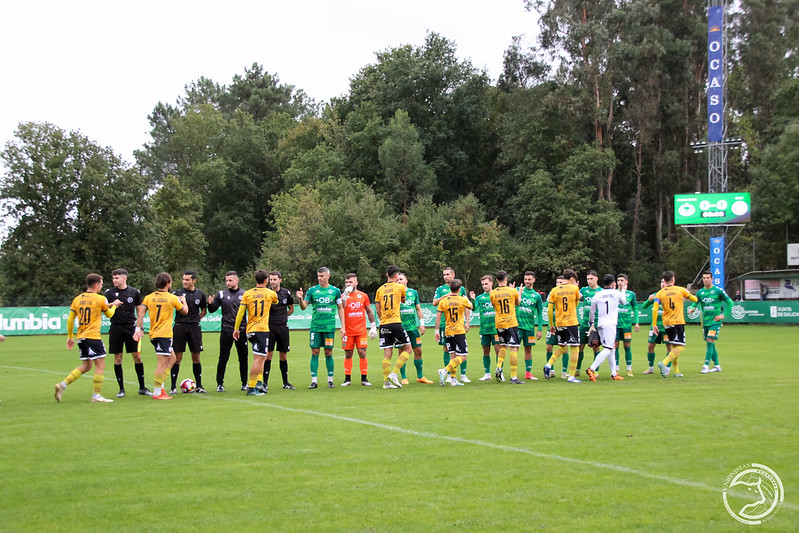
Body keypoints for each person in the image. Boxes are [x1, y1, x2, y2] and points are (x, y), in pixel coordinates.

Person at [54, 273, 121, 403]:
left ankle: (62, 385)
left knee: (86, 366)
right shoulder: (101, 299)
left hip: (81, 337)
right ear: (96, 285)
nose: (102, 286)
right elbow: (109, 314)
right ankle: (96, 396)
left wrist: (70, 337)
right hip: (93, 337)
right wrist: (115, 306)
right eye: (101, 283)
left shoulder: (77, 299)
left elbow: (70, 319)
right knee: (100, 365)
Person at [133, 272, 188, 400]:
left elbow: (140, 312)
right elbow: (185, 311)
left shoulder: (149, 297)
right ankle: (157, 392)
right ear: (168, 283)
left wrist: (138, 328)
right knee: (162, 363)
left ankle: (161, 386)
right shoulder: (172, 298)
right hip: (164, 334)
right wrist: (184, 302)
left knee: (173, 358)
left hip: (153, 334)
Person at [297, 267, 346, 389]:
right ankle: (314, 381)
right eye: (318, 276)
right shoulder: (312, 290)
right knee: (315, 352)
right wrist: (300, 299)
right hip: (316, 327)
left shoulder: (335, 291)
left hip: (329, 327)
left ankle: (330, 380)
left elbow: (340, 308)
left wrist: (343, 326)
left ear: (328, 276)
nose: (320, 278)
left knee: (328, 353)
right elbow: (303, 307)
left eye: (322, 276)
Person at [105, 268, 150, 397]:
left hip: (131, 328)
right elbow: (103, 307)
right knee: (118, 358)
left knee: (137, 356)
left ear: (124, 278)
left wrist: (140, 327)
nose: (114, 280)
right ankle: (121, 389)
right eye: (113, 278)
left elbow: (140, 311)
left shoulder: (134, 292)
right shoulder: (109, 293)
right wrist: (112, 304)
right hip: (115, 328)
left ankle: (142, 387)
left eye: (117, 278)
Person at [233, 270, 279, 396]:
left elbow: (240, 312)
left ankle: (259, 383)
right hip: (261, 330)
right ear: (266, 281)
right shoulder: (271, 293)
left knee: (260, 357)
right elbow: (276, 301)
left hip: (250, 330)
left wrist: (236, 328)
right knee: (259, 360)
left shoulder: (247, 294)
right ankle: (251, 388)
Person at [652, 271, 699, 378]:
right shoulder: (680, 290)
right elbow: (694, 299)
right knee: (681, 347)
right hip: (677, 322)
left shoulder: (660, 293)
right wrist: (694, 298)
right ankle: (664, 363)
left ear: (664, 280)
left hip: (666, 323)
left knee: (674, 346)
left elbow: (655, 309)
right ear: (673, 279)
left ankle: (676, 371)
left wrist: (654, 324)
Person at [207, 271, 248, 392]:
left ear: (237, 280)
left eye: (230, 280)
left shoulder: (245, 294)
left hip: (241, 330)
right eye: (226, 280)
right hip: (226, 330)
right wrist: (209, 304)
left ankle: (244, 383)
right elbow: (212, 309)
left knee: (243, 357)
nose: (228, 283)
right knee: (223, 357)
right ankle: (220, 384)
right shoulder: (221, 294)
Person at [170, 270, 208, 394]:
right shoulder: (177, 293)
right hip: (180, 327)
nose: (185, 282)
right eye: (183, 279)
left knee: (196, 357)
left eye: (187, 280)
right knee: (177, 357)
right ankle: (173, 387)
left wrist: (196, 319)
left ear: (194, 280)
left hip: (194, 328)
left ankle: (199, 385)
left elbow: (203, 310)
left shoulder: (200, 294)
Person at [375, 265, 412, 389]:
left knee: (387, 354)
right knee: (408, 349)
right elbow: (403, 300)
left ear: (387, 275)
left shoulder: (379, 290)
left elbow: (378, 309)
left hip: (383, 324)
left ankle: (386, 382)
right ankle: (394, 373)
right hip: (395, 322)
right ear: (397, 276)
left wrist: (382, 320)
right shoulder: (400, 287)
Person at [543, 269, 583, 383]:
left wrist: (551, 325)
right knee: (575, 348)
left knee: (562, 347)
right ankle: (571, 376)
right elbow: (576, 304)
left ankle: (548, 365)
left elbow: (549, 310)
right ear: (571, 279)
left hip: (559, 323)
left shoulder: (554, 291)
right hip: (571, 323)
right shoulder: (575, 288)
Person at [585, 274, 627, 381]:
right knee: (608, 348)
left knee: (610, 348)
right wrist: (623, 290)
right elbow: (624, 302)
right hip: (610, 324)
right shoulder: (616, 293)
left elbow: (592, 311)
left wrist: (591, 324)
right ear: (614, 283)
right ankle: (592, 368)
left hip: (600, 324)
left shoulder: (598, 294)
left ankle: (614, 374)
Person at [432, 266, 470, 382]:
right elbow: (434, 303)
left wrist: (467, 321)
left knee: (457, 351)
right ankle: (449, 375)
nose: (446, 277)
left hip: (458, 324)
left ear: (453, 275)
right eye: (444, 275)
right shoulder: (440, 289)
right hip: (445, 324)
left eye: (448, 274)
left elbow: (466, 307)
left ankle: (462, 375)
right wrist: (445, 295)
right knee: (448, 350)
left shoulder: (461, 288)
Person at [691, 271, 733, 374]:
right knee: (711, 343)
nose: (706, 280)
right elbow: (695, 303)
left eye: (708, 278)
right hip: (705, 322)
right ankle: (717, 365)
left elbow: (730, 302)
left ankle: (706, 365)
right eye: (704, 278)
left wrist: (723, 315)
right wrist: (692, 308)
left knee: (710, 340)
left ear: (712, 279)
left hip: (715, 322)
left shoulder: (718, 291)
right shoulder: (700, 292)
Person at [396, 272, 434, 384]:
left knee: (418, 350)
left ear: (406, 281)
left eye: (401, 279)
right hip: (400, 327)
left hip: (413, 328)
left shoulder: (413, 293)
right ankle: (403, 377)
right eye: (397, 280)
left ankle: (420, 377)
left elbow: (418, 308)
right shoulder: (395, 293)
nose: (399, 281)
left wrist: (422, 323)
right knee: (402, 351)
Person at [340, 273, 377, 387]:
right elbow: (342, 307)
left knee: (362, 352)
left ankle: (364, 378)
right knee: (348, 353)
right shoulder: (342, 296)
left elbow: (369, 311)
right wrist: (345, 296)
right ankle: (347, 378)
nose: (348, 284)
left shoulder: (363, 296)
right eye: (346, 282)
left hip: (361, 330)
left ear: (356, 283)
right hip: (348, 331)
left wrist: (373, 326)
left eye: (350, 282)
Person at [490, 270, 525, 384]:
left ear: (496, 280)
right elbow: (518, 302)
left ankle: (499, 367)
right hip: (511, 323)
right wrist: (519, 292)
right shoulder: (512, 291)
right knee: (514, 348)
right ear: (506, 279)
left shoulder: (493, 293)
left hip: (499, 323)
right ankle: (514, 377)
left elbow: (494, 305)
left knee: (503, 346)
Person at [265, 271, 296, 389]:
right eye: (271, 279)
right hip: (269, 327)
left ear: (280, 280)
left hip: (283, 327)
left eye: (274, 279)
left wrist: (283, 317)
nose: (272, 282)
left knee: (283, 356)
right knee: (268, 356)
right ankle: (265, 383)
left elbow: (291, 309)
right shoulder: (267, 293)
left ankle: (285, 383)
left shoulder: (286, 293)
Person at [469, 275, 501, 381]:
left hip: (496, 328)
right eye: (483, 284)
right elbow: (473, 309)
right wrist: (473, 300)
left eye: (486, 284)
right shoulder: (480, 298)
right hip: (484, 329)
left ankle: (499, 371)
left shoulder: (497, 295)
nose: (484, 286)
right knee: (485, 351)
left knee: (498, 350)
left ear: (491, 283)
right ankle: (487, 374)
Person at [517, 271, 543, 380]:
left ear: (533, 280)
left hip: (530, 328)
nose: (527, 281)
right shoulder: (518, 291)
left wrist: (540, 329)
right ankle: (514, 373)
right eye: (525, 279)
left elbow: (540, 313)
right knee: (515, 349)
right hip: (517, 326)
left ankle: (528, 373)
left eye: (529, 279)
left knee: (528, 349)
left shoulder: (537, 296)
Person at [640, 280, 671, 374]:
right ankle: (650, 368)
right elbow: (643, 306)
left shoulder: (671, 295)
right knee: (650, 346)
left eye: (665, 282)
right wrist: (649, 300)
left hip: (667, 326)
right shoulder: (655, 295)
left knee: (669, 346)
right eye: (661, 282)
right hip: (655, 326)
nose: (663, 284)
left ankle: (667, 368)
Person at [576, 270, 602, 377]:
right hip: (584, 324)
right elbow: (576, 297)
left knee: (595, 347)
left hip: (596, 324)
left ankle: (596, 370)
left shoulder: (601, 291)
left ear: (596, 279)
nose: (589, 281)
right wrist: (574, 288)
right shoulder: (584, 290)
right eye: (587, 279)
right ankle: (577, 369)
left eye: (591, 279)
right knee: (580, 347)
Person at [614, 273, 639, 377]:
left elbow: (636, 308)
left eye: (622, 280)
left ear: (626, 282)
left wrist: (637, 322)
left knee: (627, 346)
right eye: (618, 280)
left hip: (627, 325)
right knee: (615, 346)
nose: (620, 282)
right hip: (615, 325)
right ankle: (616, 369)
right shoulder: (614, 293)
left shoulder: (631, 294)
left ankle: (629, 369)